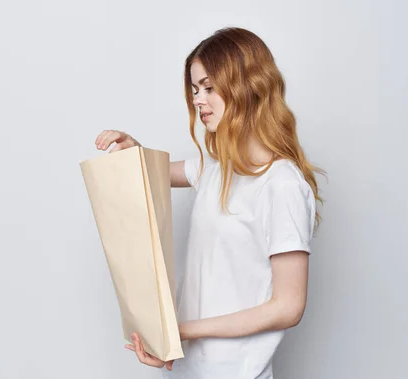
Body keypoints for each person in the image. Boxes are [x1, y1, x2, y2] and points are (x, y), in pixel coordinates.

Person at [94, 27, 324, 379]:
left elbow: (288, 307)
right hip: (187, 369)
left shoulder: (282, 185)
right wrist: (132, 149)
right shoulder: (215, 169)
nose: (198, 100)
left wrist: (181, 330)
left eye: (209, 87)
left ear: (248, 85)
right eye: (195, 89)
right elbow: (150, 174)